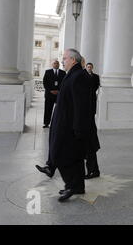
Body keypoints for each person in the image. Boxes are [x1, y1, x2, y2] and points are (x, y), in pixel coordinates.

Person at [48, 49, 92, 202]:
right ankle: (78, 186)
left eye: (65, 58)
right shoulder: (73, 74)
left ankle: (71, 186)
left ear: (73, 60)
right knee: (75, 158)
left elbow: (80, 105)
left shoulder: (78, 76)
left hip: (70, 126)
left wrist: (78, 127)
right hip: (67, 123)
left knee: (64, 156)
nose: (62, 61)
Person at [83, 61, 101, 179]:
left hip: (86, 118)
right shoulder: (82, 76)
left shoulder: (92, 78)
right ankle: (93, 170)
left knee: (89, 146)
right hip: (85, 117)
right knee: (88, 147)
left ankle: (93, 171)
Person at [42, 60, 66, 128]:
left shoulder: (63, 72)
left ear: (59, 65)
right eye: (55, 63)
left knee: (60, 109)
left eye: (57, 63)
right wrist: (50, 90)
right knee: (48, 109)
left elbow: (64, 83)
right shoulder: (48, 72)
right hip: (49, 94)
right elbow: (45, 82)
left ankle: (59, 123)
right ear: (52, 64)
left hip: (59, 94)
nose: (56, 64)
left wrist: (59, 91)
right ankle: (46, 123)